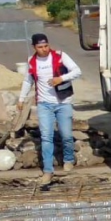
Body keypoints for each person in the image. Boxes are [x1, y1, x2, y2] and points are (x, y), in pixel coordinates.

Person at [16, 33, 82, 186]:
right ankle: (47, 170)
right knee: (46, 137)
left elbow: (77, 71)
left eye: (46, 46)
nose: (44, 49)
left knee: (66, 135)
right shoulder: (31, 62)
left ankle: (68, 159)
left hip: (63, 102)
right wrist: (21, 98)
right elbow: (28, 81)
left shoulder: (60, 56)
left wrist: (61, 78)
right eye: (40, 47)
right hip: (44, 104)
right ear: (34, 47)